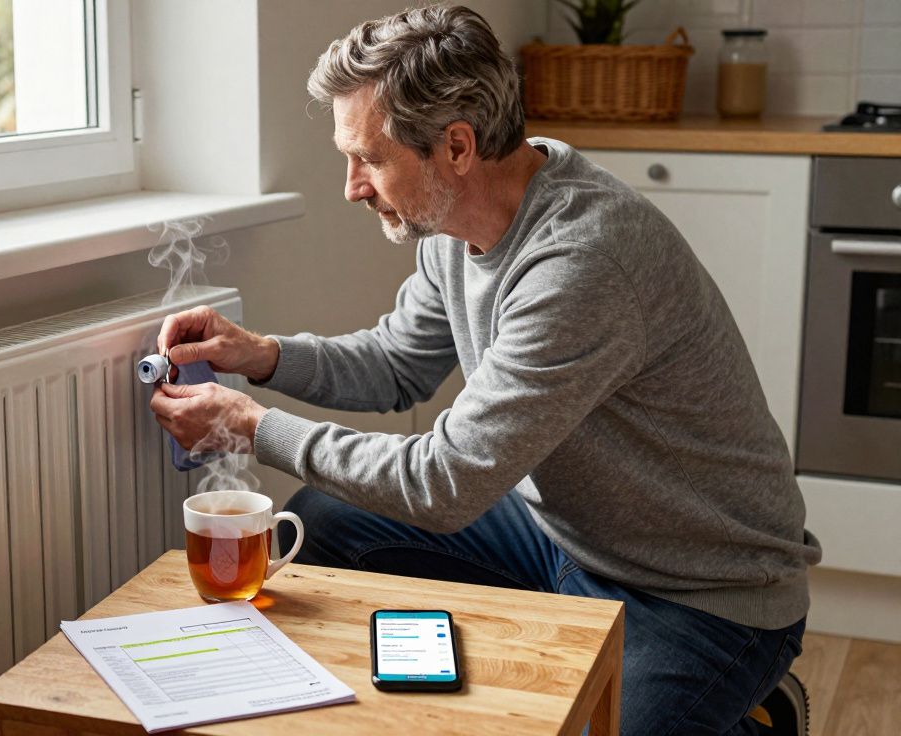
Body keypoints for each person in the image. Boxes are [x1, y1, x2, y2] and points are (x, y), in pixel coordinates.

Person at [149, 6, 819, 735]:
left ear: (457, 147)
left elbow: (445, 483)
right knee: (323, 522)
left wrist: (251, 426)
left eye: (369, 159)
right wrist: (262, 355)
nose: (353, 186)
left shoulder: (583, 262)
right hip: (557, 534)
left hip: (699, 594)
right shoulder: (453, 221)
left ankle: (749, 714)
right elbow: (396, 362)